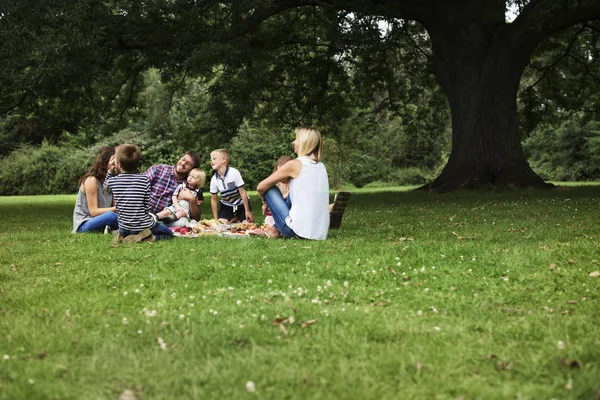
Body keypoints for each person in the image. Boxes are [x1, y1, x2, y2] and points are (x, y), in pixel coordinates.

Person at [257, 127, 329, 240]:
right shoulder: (321, 166)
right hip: (319, 233)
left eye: (296, 138)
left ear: (305, 142)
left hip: (295, 230)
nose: (293, 142)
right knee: (296, 192)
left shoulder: (295, 164)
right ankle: (275, 229)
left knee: (269, 188)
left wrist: (265, 202)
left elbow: (261, 187)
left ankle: (276, 230)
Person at [105, 144, 174, 243]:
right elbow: (147, 206)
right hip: (143, 225)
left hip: (124, 226)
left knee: (125, 228)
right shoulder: (144, 179)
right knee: (169, 234)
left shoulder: (114, 181)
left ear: (118, 164)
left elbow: (106, 189)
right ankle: (149, 238)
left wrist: (110, 172)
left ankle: (124, 235)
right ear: (138, 164)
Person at [144, 151, 201, 224]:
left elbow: (196, 218)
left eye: (188, 164)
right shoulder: (158, 169)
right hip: (143, 213)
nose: (183, 164)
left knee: (183, 222)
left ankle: (156, 226)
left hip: (166, 219)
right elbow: (137, 189)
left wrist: (192, 199)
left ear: (192, 169)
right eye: (183, 159)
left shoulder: (190, 184)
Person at [72, 146, 119, 234]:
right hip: (84, 224)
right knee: (111, 216)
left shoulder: (112, 179)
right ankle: (133, 230)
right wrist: (118, 208)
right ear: (104, 164)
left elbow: (115, 205)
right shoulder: (91, 180)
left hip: (103, 221)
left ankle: (121, 231)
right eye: (113, 164)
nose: (116, 166)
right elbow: (94, 212)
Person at [209, 148, 254, 223]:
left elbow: (242, 192)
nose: (211, 161)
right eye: (211, 160)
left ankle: (238, 218)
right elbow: (214, 199)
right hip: (226, 206)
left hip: (241, 204)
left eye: (214, 159)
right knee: (221, 224)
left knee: (246, 225)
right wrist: (216, 219)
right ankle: (234, 218)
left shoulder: (234, 173)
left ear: (224, 160)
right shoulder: (214, 179)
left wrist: (247, 211)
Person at [263, 155, 293, 227]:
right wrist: (265, 204)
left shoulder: (293, 182)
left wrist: (283, 196)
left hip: (290, 214)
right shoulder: (276, 183)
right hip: (276, 215)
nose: (282, 176)